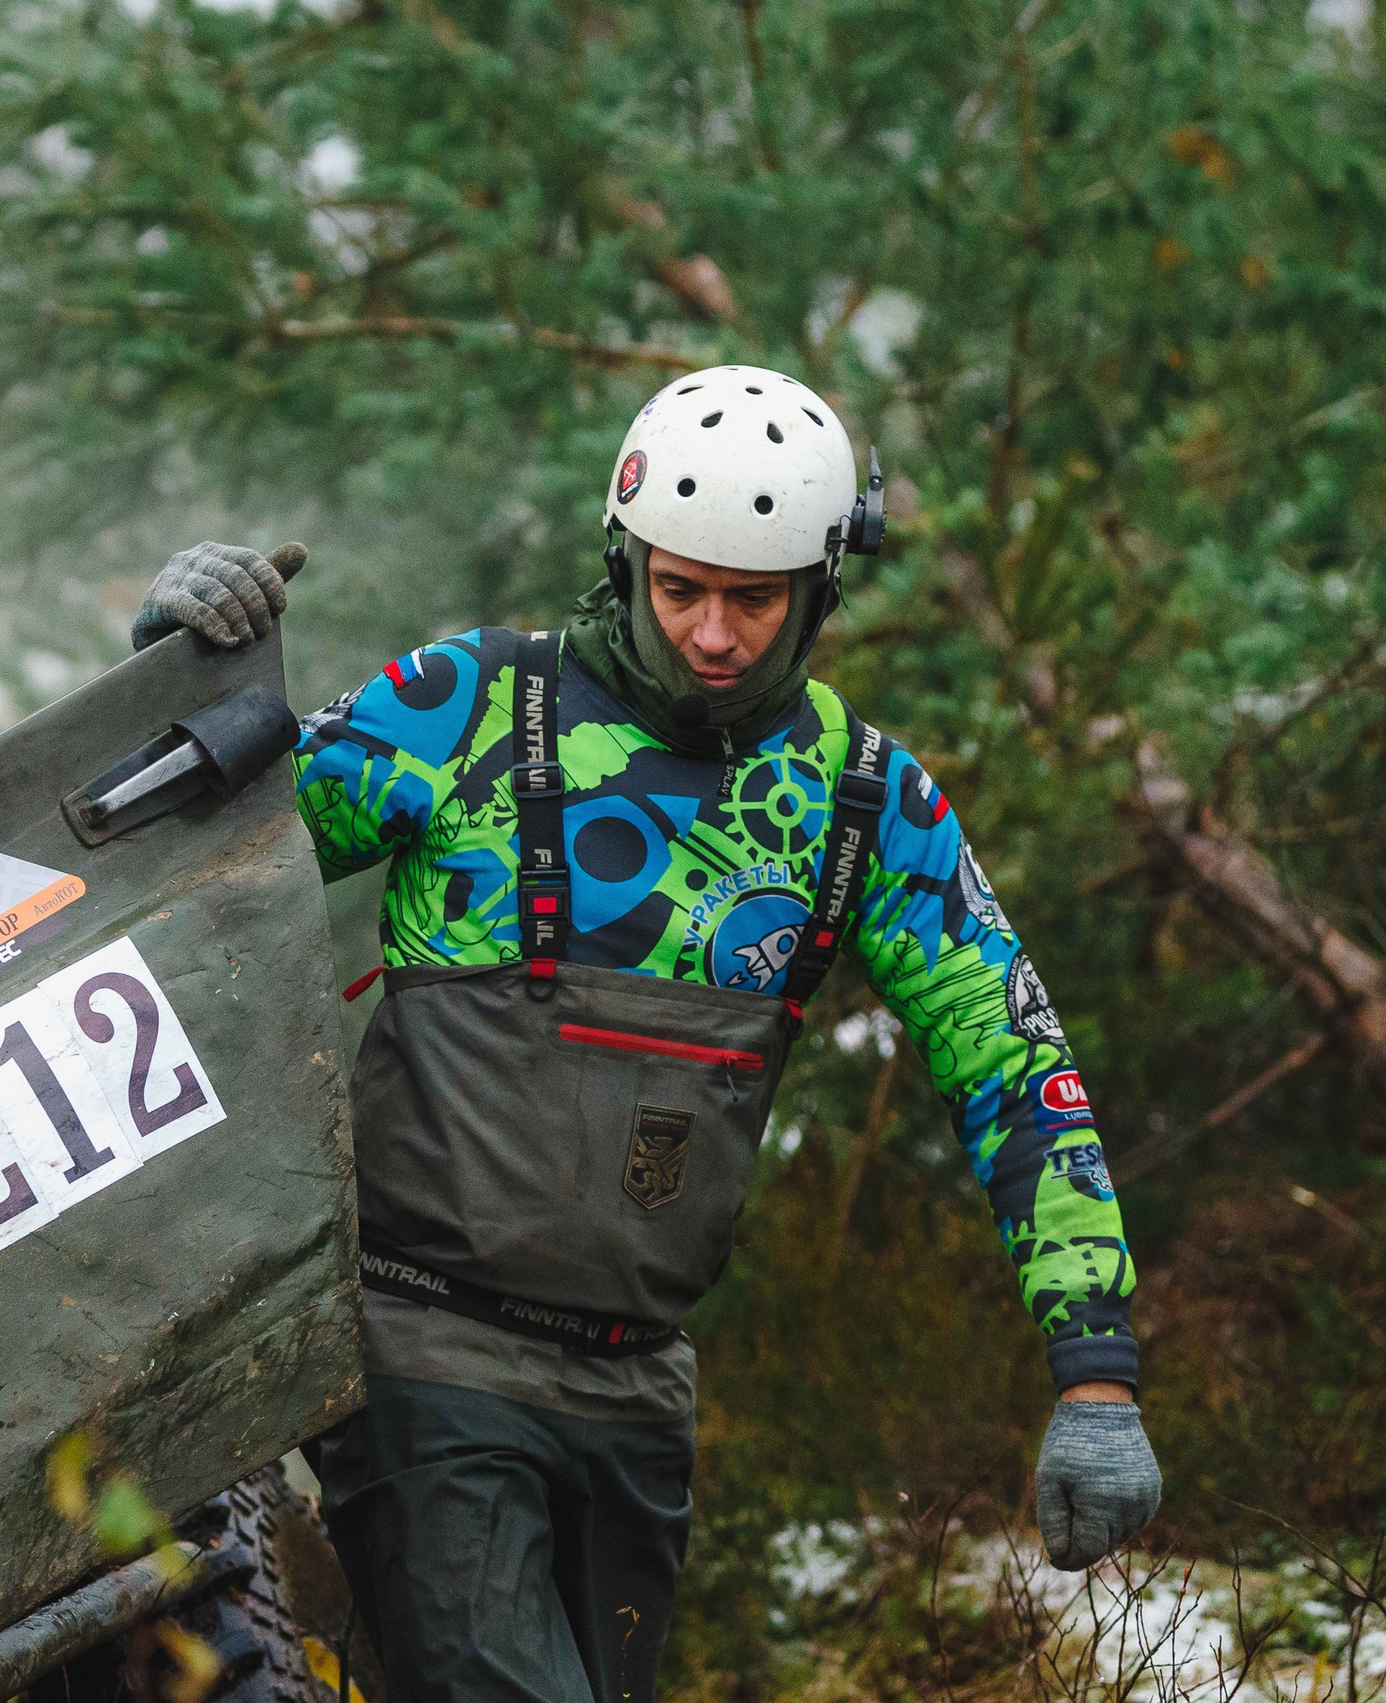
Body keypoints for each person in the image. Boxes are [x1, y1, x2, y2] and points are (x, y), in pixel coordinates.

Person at [130, 366, 1160, 1703]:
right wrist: (167, 665)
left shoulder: (866, 801)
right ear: (627, 564)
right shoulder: (470, 708)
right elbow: (193, 871)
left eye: (754, 597)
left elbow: (1016, 1067)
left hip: (638, 1399)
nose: (713, 635)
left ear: (822, 588)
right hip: (420, 1349)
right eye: (680, 589)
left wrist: (1097, 1375)